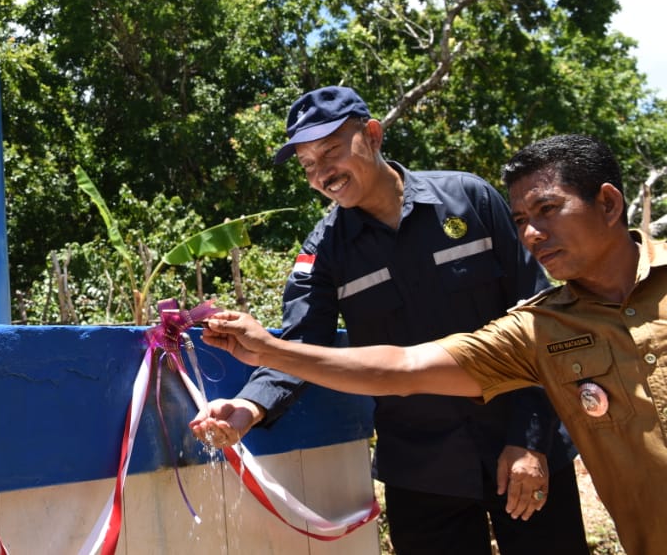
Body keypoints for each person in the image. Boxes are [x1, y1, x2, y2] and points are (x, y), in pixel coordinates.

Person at [199, 133, 665, 554]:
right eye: (306, 165)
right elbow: (336, 348)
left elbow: (538, 314)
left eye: (331, 151)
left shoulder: (469, 199)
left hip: (524, 450)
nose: (322, 173)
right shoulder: (324, 250)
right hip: (422, 467)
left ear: (373, 134)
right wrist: (249, 405)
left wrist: (527, 441)